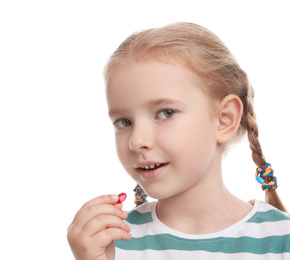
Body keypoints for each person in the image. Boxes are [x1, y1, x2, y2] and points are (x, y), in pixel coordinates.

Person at [67, 22, 290, 259]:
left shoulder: (281, 240)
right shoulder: (113, 243)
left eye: (165, 113)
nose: (137, 140)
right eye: (124, 121)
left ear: (224, 119)